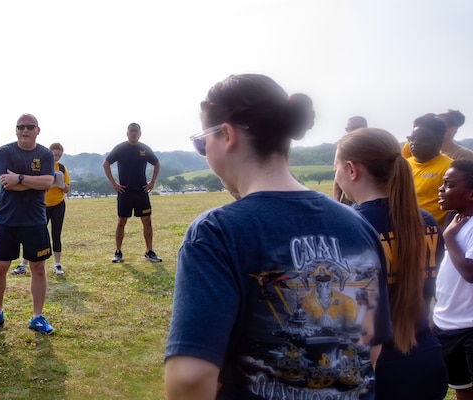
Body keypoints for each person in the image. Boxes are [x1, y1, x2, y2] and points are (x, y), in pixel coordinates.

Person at [164, 74, 391, 400]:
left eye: (202, 143)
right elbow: (371, 348)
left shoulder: (216, 232)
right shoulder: (359, 226)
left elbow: (190, 377)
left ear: (227, 135)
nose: (205, 153)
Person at [335, 128, 448, 399]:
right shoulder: (427, 221)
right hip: (426, 358)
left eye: (336, 166)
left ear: (351, 169)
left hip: (376, 368)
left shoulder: (348, 226)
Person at [0, 113, 56, 334]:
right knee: (0, 269)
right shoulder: (5, 152)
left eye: (30, 127)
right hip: (7, 219)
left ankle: (38, 317)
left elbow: (48, 182)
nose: (25, 130)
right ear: (16, 130)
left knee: (39, 269)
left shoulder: (45, 154)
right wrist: (34, 182)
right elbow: (7, 184)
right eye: (21, 126)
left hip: (35, 220)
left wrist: (21, 178)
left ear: (37, 130)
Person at [434, 159, 473, 400]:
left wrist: (448, 239)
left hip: (470, 326)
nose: (441, 189)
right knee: (461, 388)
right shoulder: (455, 219)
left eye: (449, 184)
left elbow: (470, 273)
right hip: (447, 324)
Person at [103, 122, 162, 263]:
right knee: (121, 221)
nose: (133, 133)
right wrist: (114, 183)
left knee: (147, 220)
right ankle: (118, 252)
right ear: (127, 133)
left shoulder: (144, 149)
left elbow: (157, 163)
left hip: (141, 191)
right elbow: (106, 164)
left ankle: (149, 251)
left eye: (136, 131)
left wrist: (152, 182)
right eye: (131, 131)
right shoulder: (120, 148)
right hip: (125, 191)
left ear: (140, 133)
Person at [13, 142, 71, 276]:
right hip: (41, 206)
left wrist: (60, 183)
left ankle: (57, 264)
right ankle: (23, 264)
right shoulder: (42, 166)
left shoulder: (62, 168)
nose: (57, 158)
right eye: (54, 155)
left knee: (56, 234)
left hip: (58, 204)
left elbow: (67, 189)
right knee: (34, 234)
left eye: (59, 155)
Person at [406, 114, 453, 226]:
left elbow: (455, 208)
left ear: (439, 141)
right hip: (405, 229)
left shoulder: (450, 168)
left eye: (423, 140)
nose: (415, 143)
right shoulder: (403, 165)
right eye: (412, 139)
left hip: (434, 232)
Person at [334, 116, 368, 204]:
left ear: (364, 128)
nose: (348, 132)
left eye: (352, 129)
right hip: (349, 201)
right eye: (347, 129)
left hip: (369, 199)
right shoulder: (344, 148)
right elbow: (338, 176)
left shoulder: (374, 147)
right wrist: (336, 201)